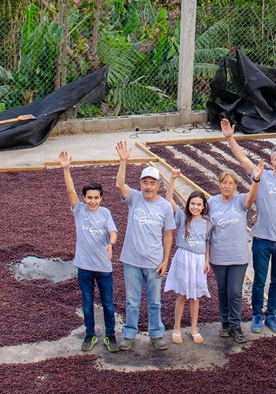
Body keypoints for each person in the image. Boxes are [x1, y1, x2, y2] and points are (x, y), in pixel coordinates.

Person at [220, 117, 276, 334]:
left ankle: (271, 316)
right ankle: (256, 315)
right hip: (262, 238)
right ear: (271, 161)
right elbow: (242, 158)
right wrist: (230, 138)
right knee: (260, 279)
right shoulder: (261, 175)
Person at [114, 140, 178, 351]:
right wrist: (123, 161)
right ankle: (129, 334)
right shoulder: (134, 198)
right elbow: (119, 185)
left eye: (152, 183)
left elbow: (168, 235)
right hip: (131, 261)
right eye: (145, 182)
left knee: (155, 302)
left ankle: (156, 333)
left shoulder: (165, 207)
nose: (148, 186)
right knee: (132, 301)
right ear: (140, 184)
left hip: (153, 263)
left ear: (159, 185)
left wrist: (165, 261)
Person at [60, 150, 120, 352]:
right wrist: (66, 168)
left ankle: (110, 335)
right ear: (84, 198)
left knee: (108, 304)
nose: (92, 201)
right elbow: (70, 192)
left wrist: (110, 244)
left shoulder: (105, 213)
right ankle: (90, 334)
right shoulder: (79, 211)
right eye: (89, 197)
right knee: (87, 304)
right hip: (84, 267)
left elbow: (113, 232)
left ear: (102, 198)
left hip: (104, 267)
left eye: (96, 197)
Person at [207, 169, 256, 343]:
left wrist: (256, 180)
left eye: (230, 183)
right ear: (219, 184)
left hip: (238, 255)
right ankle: (225, 322)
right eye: (224, 182)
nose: (227, 186)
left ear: (236, 185)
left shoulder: (240, 201)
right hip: (218, 255)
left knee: (235, 291)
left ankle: (236, 324)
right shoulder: (211, 202)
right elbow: (205, 231)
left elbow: (252, 197)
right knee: (222, 290)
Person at [165, 189, 213, 343]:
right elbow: (169, 199)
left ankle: (194, 328)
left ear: (204, 206)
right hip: (184, 258)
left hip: (198, 260)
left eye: (199, 204)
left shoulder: (208, 223)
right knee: (182, 295)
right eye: (193, 203)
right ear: (188, 204)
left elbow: (207, 242)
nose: (195, 207)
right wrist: (172, 180)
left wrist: (207, 261)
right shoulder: (182, 217)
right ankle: (177, 327)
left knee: (195, 296)